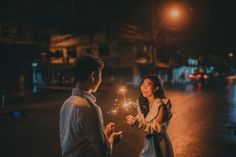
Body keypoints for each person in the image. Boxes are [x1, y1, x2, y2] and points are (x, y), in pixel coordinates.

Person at [60, 55, 123, 157]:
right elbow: (104, 153)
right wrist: (112, 138)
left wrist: (104, 134)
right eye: (100, 76)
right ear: (93, 75)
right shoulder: (89, 108)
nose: (101, 80)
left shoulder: (67, 103)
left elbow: (80, 140)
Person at [126, 75, 174, 157]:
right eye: (143, 84)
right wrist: (133, 121)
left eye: (148, 85)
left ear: (156, 88)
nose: (144, 87)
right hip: (148, 144)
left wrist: (137, 123)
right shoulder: (142, 103)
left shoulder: (161, 105)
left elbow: (156, 129)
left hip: (159, 144)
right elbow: (141, 122)